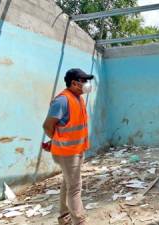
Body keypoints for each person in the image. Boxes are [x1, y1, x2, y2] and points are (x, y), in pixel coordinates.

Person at [43, 68, 93, 225]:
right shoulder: (62, 100)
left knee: (68, 183)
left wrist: (57, 140)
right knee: (75, 188)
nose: (86, 84)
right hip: (67, 152)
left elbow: (66, 126)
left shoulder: (78, 98)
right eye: (83, 81)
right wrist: (56, 141)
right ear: (74, 83)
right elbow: (47, 126)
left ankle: (64, 218)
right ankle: (79, 221)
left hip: (76, 150)